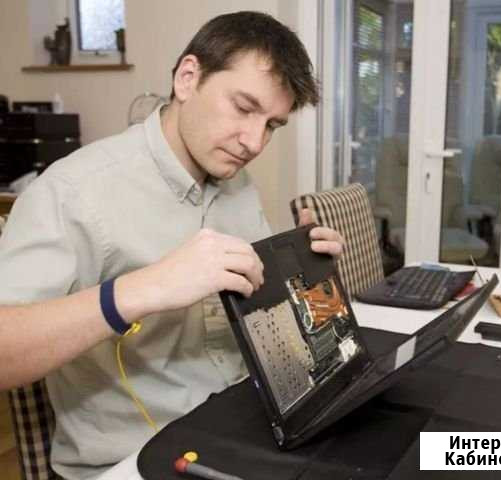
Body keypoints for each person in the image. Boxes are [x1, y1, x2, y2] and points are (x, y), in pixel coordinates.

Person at [0, 11, 343, 480]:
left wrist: (304, 275)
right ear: (187, 78)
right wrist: (142, 289)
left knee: (422, 452)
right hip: (136, 461)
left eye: (272, 125)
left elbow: (260, 313)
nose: (254, 142)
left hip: (242, 426)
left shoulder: (237, 184)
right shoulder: (72, 192)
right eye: (244, 108)